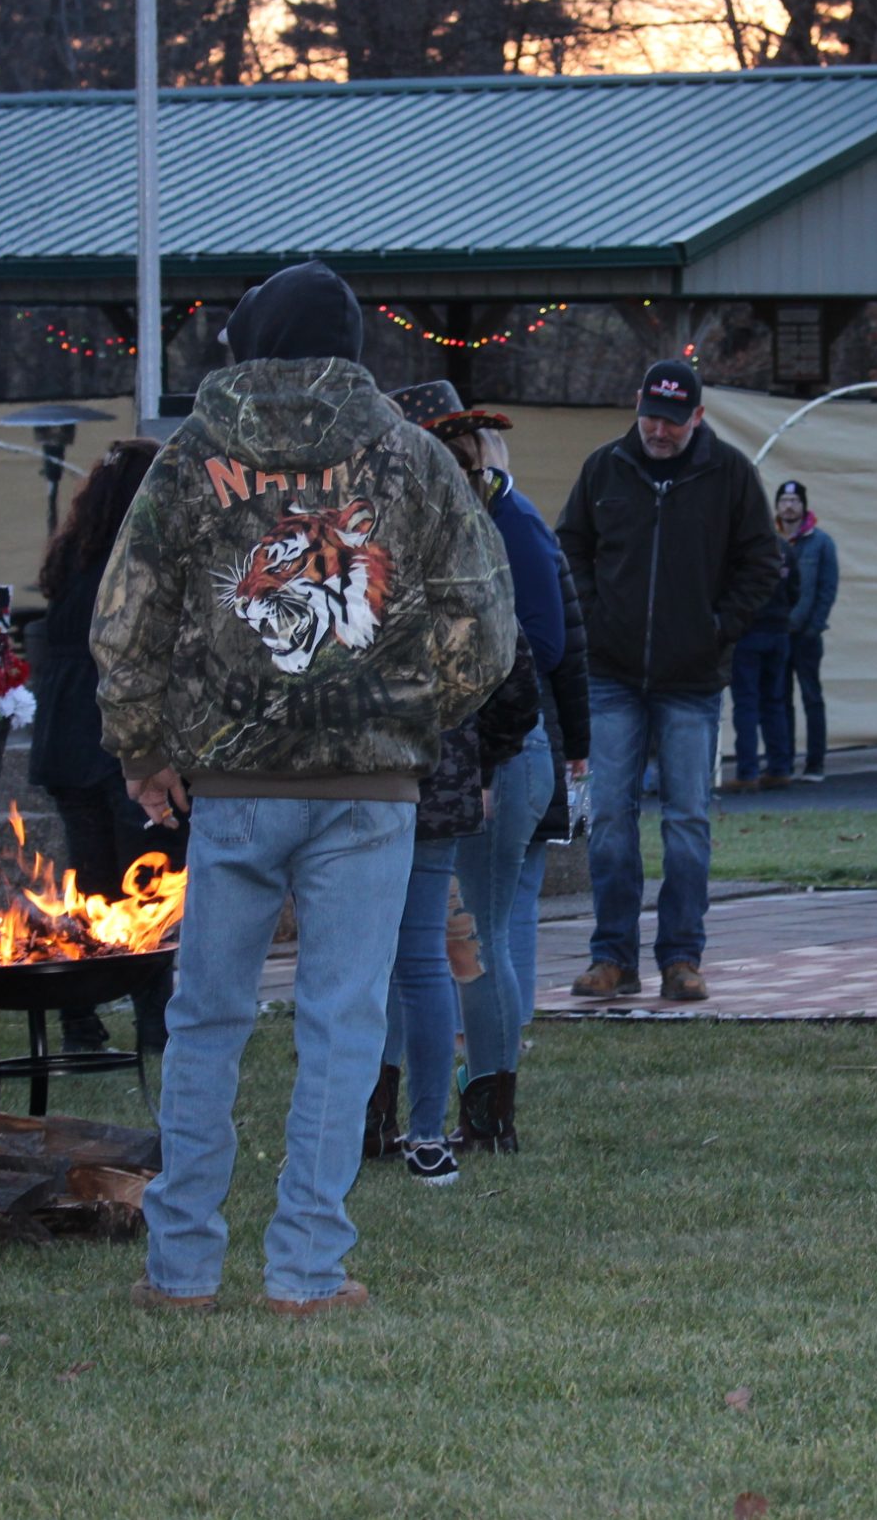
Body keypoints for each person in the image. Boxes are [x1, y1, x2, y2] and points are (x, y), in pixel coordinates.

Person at [93, 261, 513, 1317]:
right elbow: (486, 626)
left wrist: (143, 747)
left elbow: (127, 616)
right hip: (370, 790)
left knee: (205, 1018)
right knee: (340, 1020)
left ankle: (180, 1268)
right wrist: (408, 715)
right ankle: (307, 1270)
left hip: (233, 784)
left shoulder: (192, 456)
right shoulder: (414, 458)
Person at [555, 359, 780, 1004]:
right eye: (651, 416)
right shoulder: (604, 468)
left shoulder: (730, 473)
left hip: (692, 679)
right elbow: (569, 547)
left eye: (673, 422)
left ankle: (682, 957)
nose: (659, 431)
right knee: (608, 819)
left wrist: (717, 627)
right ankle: (612, 956)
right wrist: (595, 616)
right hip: (611, 674)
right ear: (637, 404)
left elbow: (763, 561)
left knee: (686, 821)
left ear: (698, 417)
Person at [379, 380, 557, 1161]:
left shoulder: (499, 529)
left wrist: (486, 756)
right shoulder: (461, 529)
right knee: (430, 948)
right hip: (461, 760)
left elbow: (539, 652)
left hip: (477, 762)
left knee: (463, 942)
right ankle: (407, 1115)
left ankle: (479, 1113)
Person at [28, 439, 186, 1054]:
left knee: (89, 882)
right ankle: (153, 1019)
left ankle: (79, 1018)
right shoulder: (141, 559)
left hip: (64, 734)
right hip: (120, 735)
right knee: (149, 878)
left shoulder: (71, 557)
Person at [377, 628, 539, 1186]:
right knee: (422, 959)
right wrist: (475, 759)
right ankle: (423, 1135)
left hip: (358, 780)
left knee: (363, 960)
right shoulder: (462, 578)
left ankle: (366, 1123)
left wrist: (478, 760)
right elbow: (516, 676)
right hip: (433, 776)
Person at [727, 503, 800, 791]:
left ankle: (747, 772)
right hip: (779, 632)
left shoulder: (741, 550)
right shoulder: (784, 549)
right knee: (775, 702)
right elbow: (795, 589)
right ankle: (780, 768)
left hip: (749, 633)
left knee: (746, 703)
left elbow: (730, 590)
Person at [776, 480, 838, 781]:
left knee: (811, 697)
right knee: (780, 698)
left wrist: (813, 626)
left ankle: (815, 763)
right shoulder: (768, 540)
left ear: (803, 505)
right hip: (776, 634)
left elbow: (827, 588)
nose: (789, 506)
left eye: (794, 501)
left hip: (807, 636)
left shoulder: (820, 542)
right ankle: (783, 761)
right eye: (784, 501)